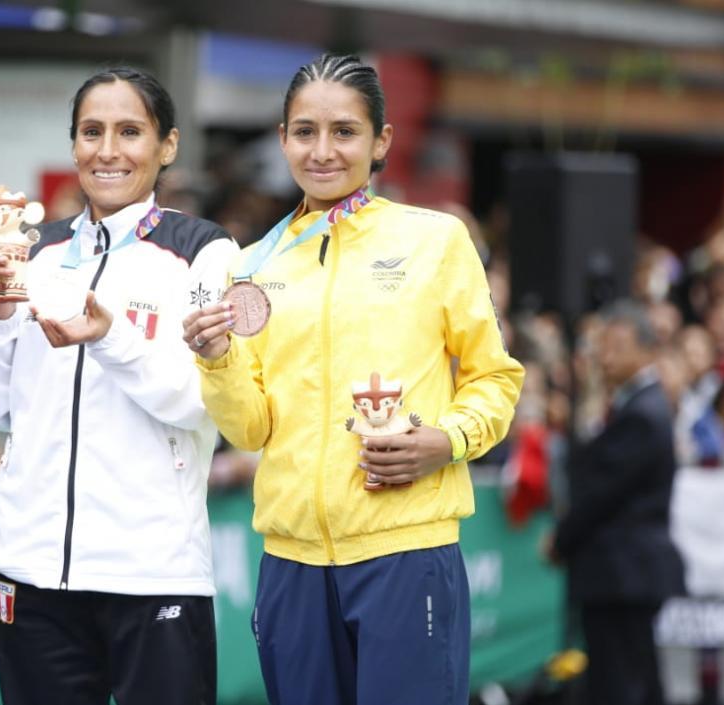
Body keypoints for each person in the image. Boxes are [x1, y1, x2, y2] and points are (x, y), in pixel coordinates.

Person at [183, 54, 524, 705]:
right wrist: (217, 356)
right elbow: (249, 426)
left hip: (407, 550)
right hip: (291, 558)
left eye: (344, 131)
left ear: (381, 142)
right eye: (305, 131)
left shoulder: (435, 241)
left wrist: (444, 439)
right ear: (283, 139)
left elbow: (495, 378)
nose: (323, 150)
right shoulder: (255, 262)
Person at [0, 67, 238, 705]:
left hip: (153, 572)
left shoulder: (206, 251)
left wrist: (109, 337)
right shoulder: (33, 253)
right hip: (30, 566)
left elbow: (203, 403)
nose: (108, 150)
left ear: (167, 145)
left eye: (129, 131)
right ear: (73, 146)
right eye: (92, 132)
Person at [548, 301, 684, 705]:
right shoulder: (633, 406)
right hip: (623, 572)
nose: (605, 357)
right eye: (601, 347)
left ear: (647, 351)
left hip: (623, 571)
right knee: (638, 678)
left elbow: (599, 493)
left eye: (617, 346)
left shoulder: (642, 413)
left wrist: (562, 539)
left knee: (620, 683)